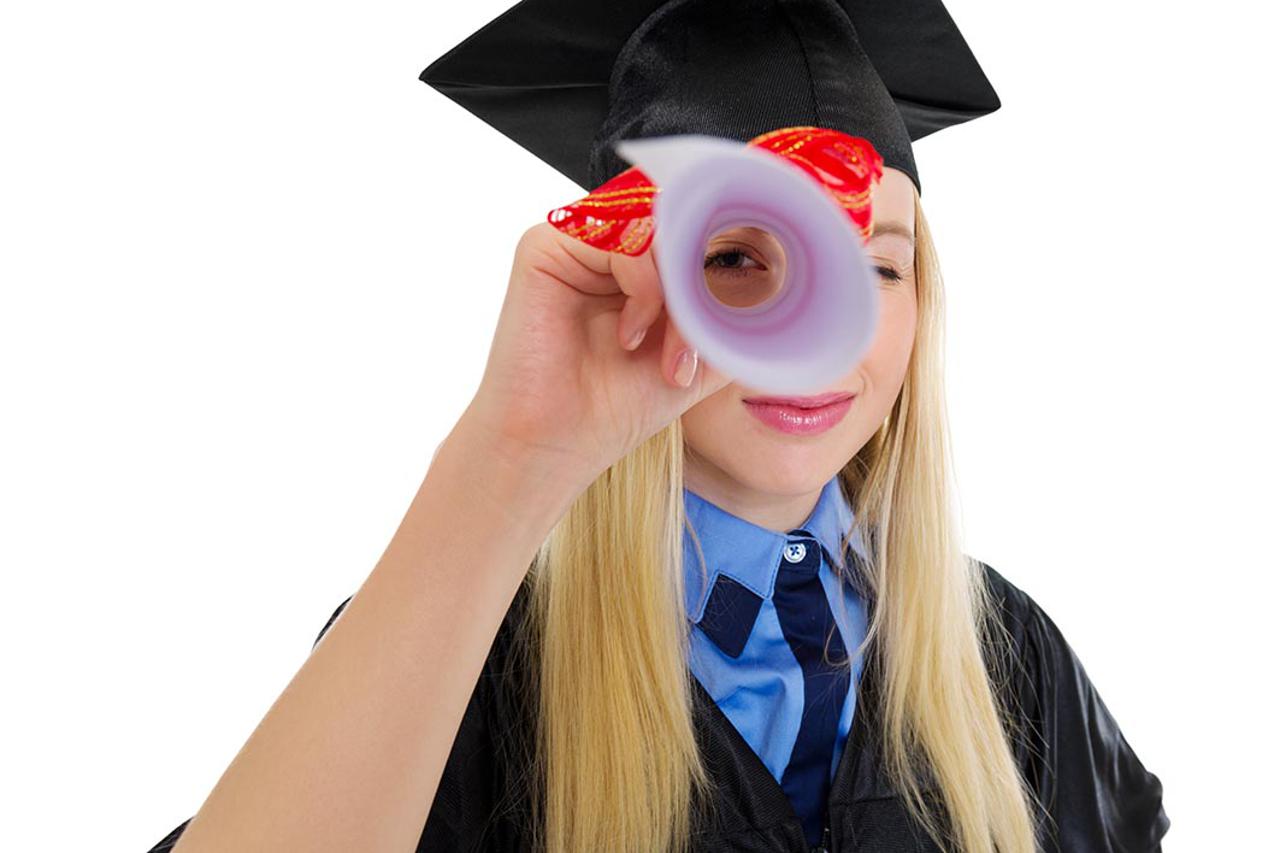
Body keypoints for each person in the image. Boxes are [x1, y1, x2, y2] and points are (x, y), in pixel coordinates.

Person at [145, 1, 1170, 851]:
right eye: (735, 259)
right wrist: (511, 454)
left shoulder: (1008, 660)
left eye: (875, 267)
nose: (821, 339)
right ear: (645, 271)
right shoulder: (471, 670)